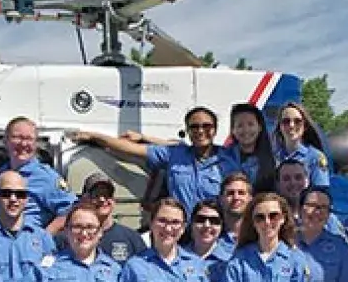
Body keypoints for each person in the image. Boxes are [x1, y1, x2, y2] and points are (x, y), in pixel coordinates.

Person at [72, 107, 227, 215]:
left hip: (214, 232)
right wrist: (95, 137)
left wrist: (144, 137)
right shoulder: (174, 154)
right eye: (194, 127)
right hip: (180, 233)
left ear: (215, 129)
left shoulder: (230, 157)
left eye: (207, 126)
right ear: (187, 131)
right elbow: (130, 148)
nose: (200, 131)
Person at [0, 116, 75, 232]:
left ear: (36, 144)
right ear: (5, 141)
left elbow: (71, 211)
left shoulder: (47, 178)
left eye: (29, 138)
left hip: (19, 241)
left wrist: (45, 236)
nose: (23, 143)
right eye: (17, 137)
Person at [220, 103, 278, 192]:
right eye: (240, 125)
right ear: (233, 130)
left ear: (260, 127)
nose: (246, 130)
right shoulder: (222, 158)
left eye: (250, 124)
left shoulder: (275, 158)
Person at [272, 102, 331, 187]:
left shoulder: (316, 157)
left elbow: (321, 190)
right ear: (280, 127)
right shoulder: (273, 158)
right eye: (286, 121)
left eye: (297, 121)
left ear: (305, 126)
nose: (291, 125)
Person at [218, 172, 252, 252]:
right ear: (221, 199)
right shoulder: (210, 238)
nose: (236, 197)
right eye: (230, 193)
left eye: (241, 193)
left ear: (250, 199)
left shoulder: (260, 236)